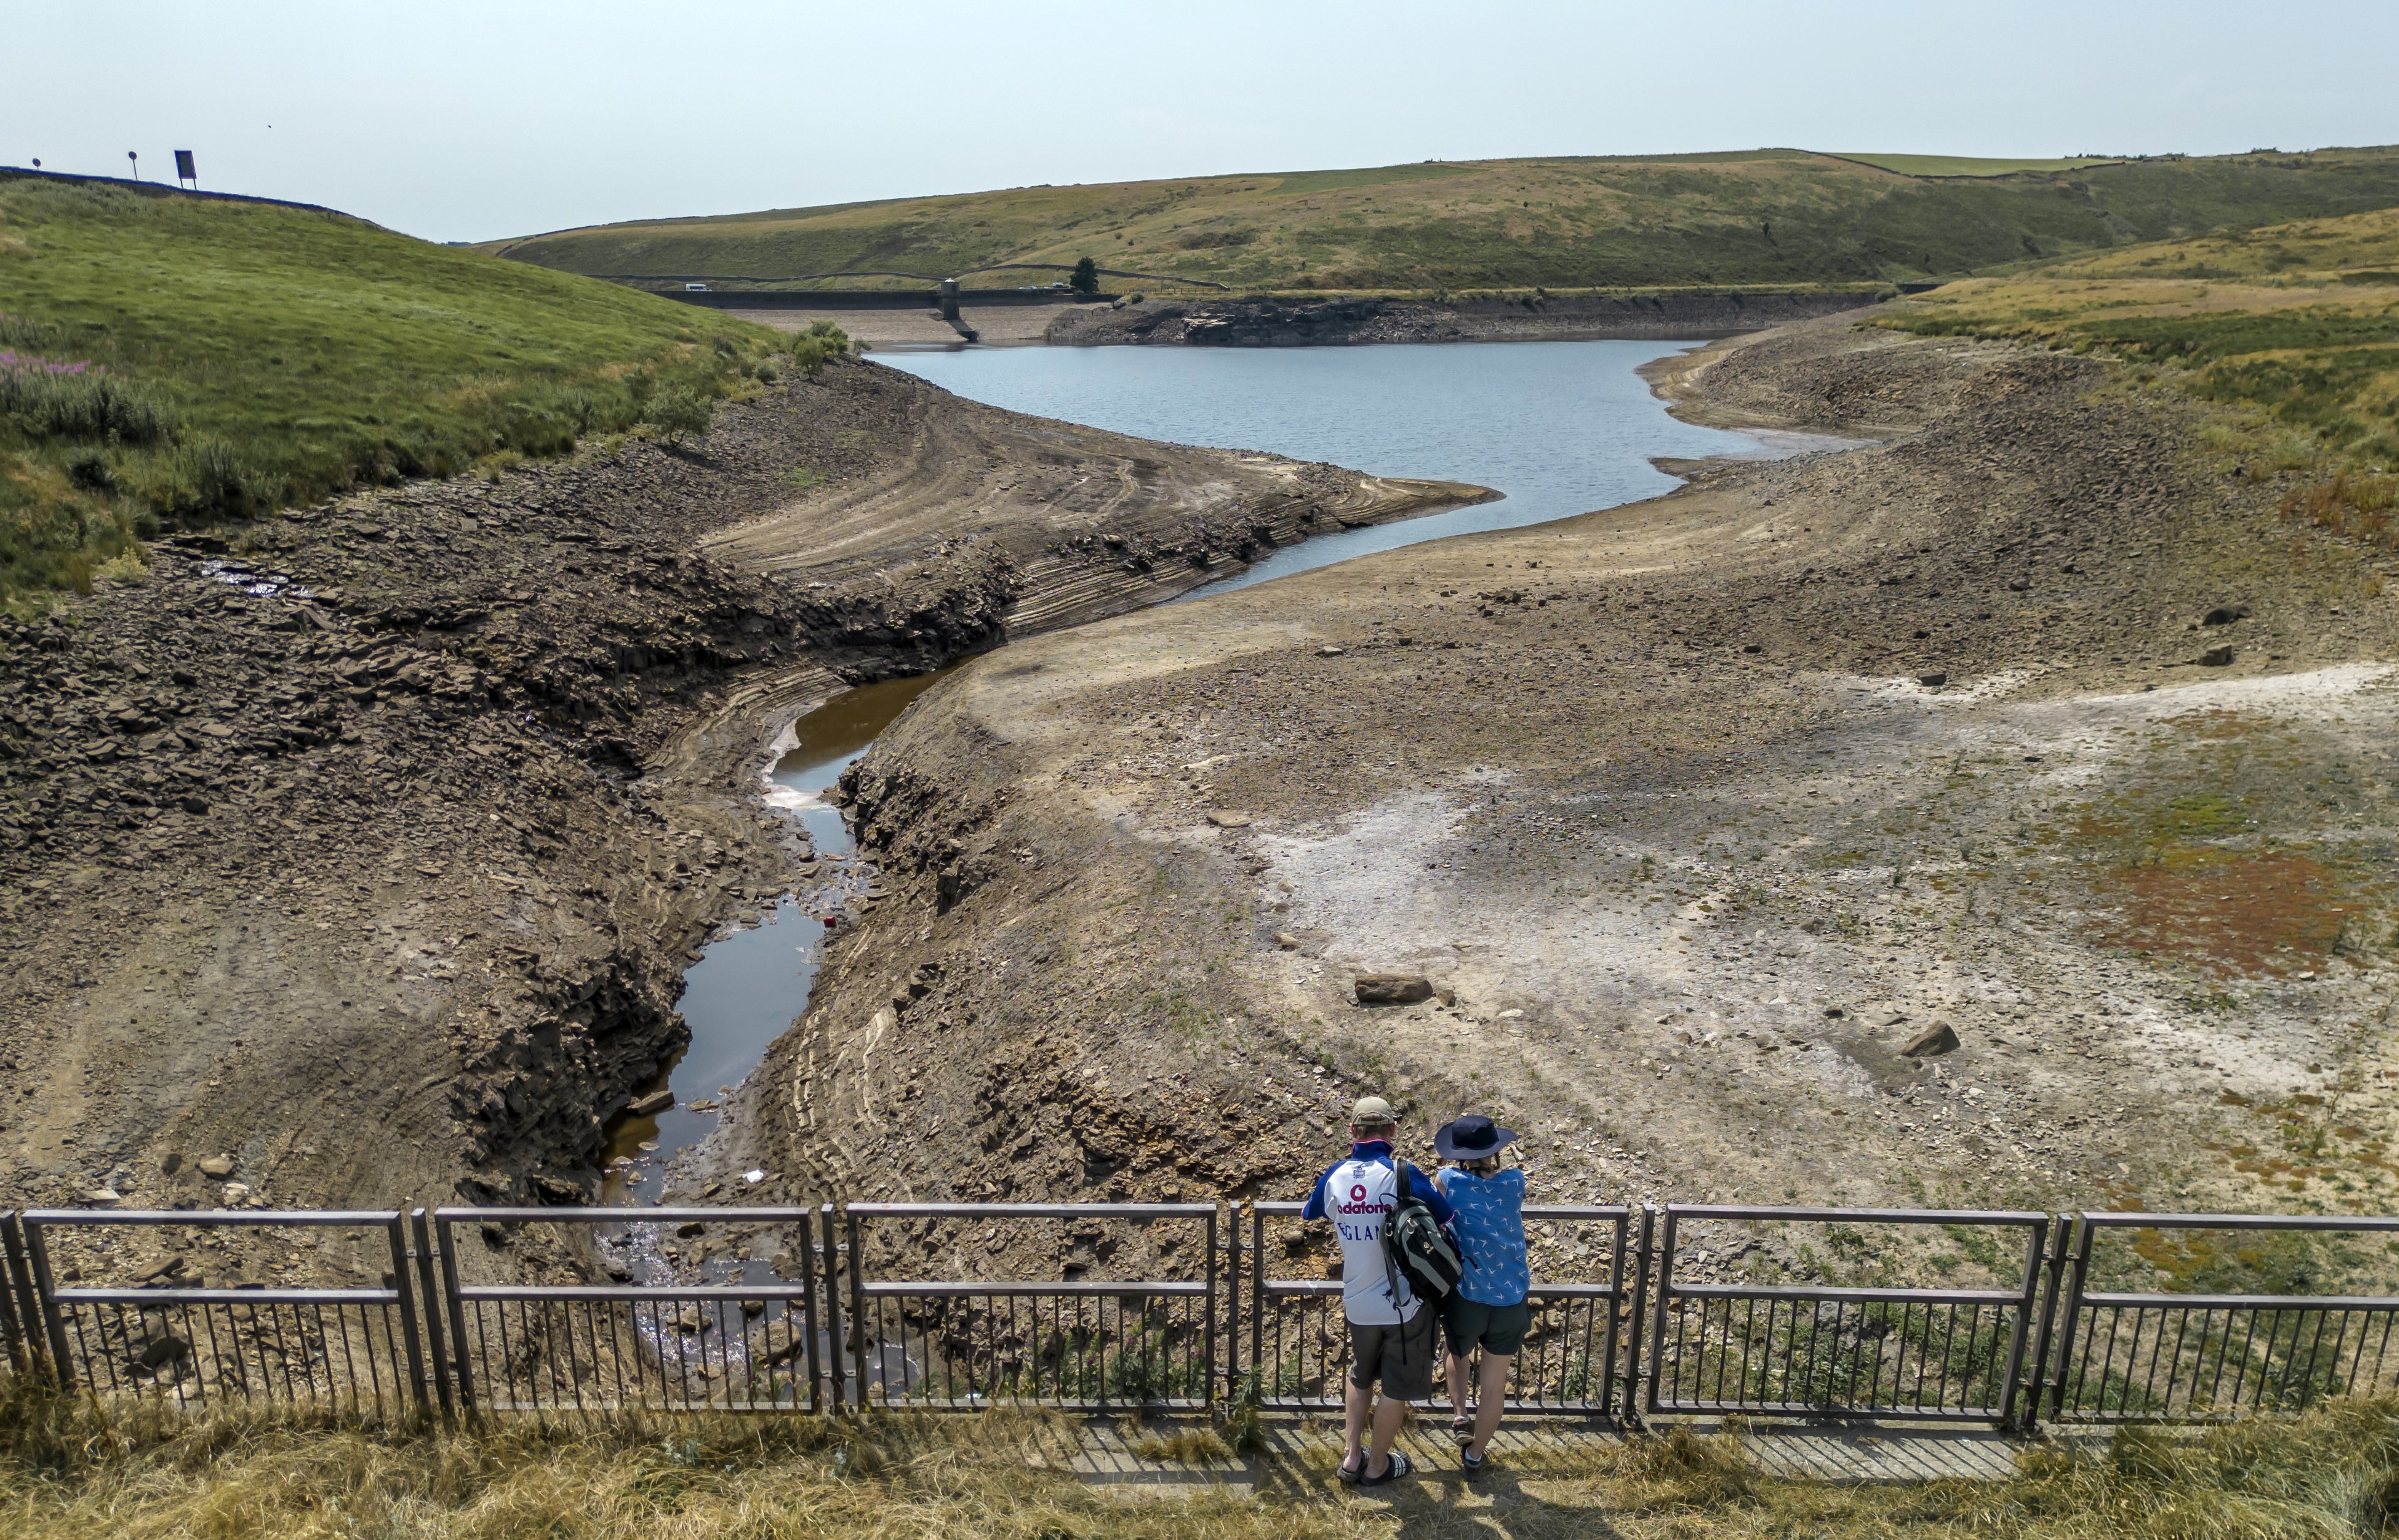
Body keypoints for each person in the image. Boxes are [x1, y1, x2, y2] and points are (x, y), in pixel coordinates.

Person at [1301, 1095, 1455, 1487]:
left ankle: (1352, 1458)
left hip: (1357, 1302)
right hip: (1404, 1305)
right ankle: (1378, 1464)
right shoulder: (1404, 1174)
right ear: (1392, 1132)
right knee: (1397, 1387)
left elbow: (1310, 1212)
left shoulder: (1335, 1175)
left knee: (1360, 1376)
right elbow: (1446, 1216)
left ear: (1352, 1132)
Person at [1432, 1112, 1528, 1477]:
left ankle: (1459, 1416)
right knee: (1495, 1385)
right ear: (1495, 1149)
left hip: (1468, 1293)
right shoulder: (1515, 1181)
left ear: (1458, 1152)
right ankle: (1475, 1456)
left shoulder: (1448, 1179)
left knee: (1457, 1351)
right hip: (1511, 1295)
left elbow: (1438, 1212)